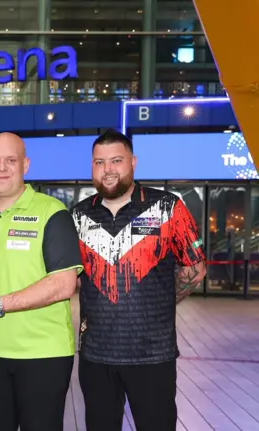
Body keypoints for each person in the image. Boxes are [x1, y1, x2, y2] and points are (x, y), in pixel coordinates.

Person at [71, 129, 207, 431]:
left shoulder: (168, 208)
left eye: (116, 160)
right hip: (96, 355)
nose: (107, 170)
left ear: (133, 162)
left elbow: (195, 268)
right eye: (99, 162)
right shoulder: (78, 216)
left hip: (152, 355)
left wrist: (155, 308)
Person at [0, 132, 83, 431]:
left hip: (42, 354)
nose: (1, 168)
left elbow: (64, 284)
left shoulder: (52, 213)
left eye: (10, 160)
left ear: (25, 165)